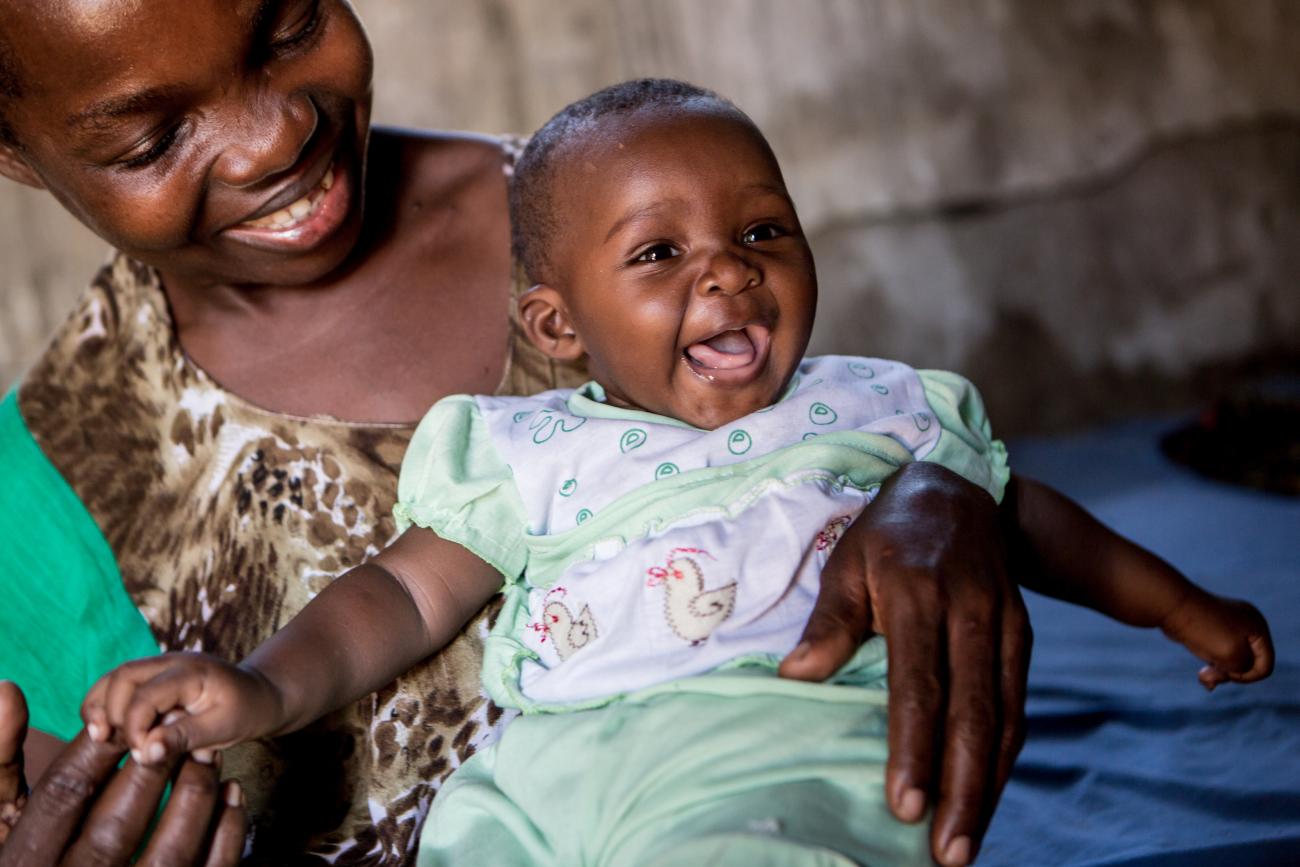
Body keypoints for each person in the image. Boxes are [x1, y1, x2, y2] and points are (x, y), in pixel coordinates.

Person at [80, 80, 1273, 867]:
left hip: (782, 755)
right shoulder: (524, 449)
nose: (728, 273)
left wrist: (1180, 608)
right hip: (541, 786)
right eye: (658, 253)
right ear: (558, 326)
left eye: (763, 232)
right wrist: (260, 690)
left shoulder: (881, 407)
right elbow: (394, 596)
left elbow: (1020, 519)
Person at [0, 3, 1042, 864]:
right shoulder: (41, 497)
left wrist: (946, 493)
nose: (274, 137)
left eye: (290, 26)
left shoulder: (619, 207)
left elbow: (825, 441)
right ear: (13, 151)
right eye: (150, 141)